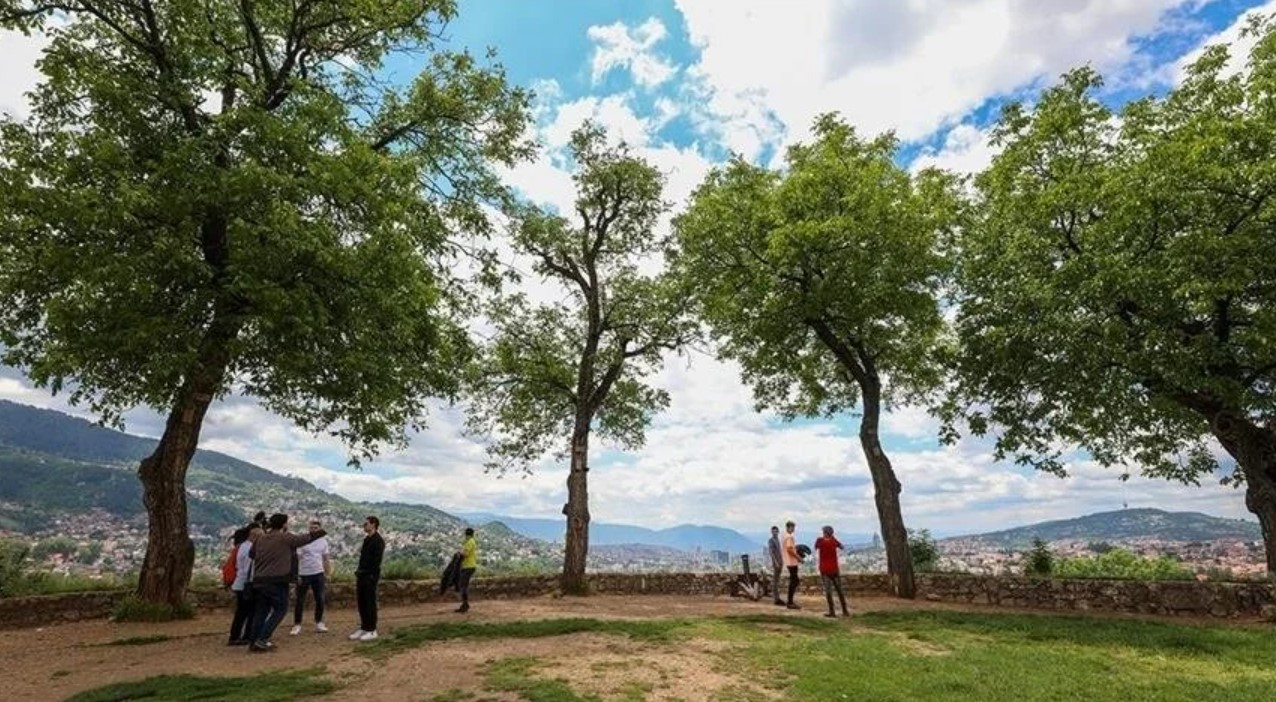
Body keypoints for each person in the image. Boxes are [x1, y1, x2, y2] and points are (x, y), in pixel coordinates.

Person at [246, 513, 326, 653]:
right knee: (280, 609)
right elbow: (304, 539)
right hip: (277, 580)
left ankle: (253, 641)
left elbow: (251, 554)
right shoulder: (285, 537)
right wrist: (321, 532)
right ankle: (262, 639)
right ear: (284, 524)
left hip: (259, 581)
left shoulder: (260, 539)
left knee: (261, 611)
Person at [290, 519, 331, 635]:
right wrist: (296, 574)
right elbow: (297, 559)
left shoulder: (323, 542)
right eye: (311, 528)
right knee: (300, 600)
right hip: (304, 573)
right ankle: (297, 624)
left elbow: (326, 558)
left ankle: (319, 623)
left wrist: (327, 573)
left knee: (320, 599)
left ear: (320, 529)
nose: (313, 530)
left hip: (318, 573)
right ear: (308, 528)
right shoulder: (304, 540)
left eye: (315, 528)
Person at [350, 515, 385, 642]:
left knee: (370, 602)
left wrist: (369, 574)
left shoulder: (378, 541)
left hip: (370, 576)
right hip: (362, 575)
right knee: (362, 602)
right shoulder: (367, 540)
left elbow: (376, 562)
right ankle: (364, 627)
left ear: (373, 524)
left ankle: (372, 629)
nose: (364, 526)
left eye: (366, 524)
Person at [227, 524, 261, 645]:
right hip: (248, 584)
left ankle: (235, 635)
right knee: (251, 611)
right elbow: (250, 569)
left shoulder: (241, 546)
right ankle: (247, 635)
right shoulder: (251, 549)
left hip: (239, 582)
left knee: (241, 612)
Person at [814, 525, 850, 618]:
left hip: (825, 570)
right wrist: (833, 538)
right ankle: (845, 611)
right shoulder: (834, 541)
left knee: (828, 592)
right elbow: (841, 546)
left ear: (825, 533)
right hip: (834, 569)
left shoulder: (820, 541)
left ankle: (832, 611)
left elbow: (815, 547)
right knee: (840, 591)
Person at [456, 527, 478, 613]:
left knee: (463, 586)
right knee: (463, 585)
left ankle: (465, 605)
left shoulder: (469, 542)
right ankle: (464, 604)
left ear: (466, 534)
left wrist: (459, 554)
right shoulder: (471, 541)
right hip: (469, 566)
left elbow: (465, 554)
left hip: (468, 567)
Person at [782, 520, 800, 609]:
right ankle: (790, 602)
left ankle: (790, 601)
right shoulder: (789, 537)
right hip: (792, 562)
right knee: (794, 581)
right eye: (793, 527)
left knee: (794, 581)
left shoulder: (784, 536)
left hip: (788, 561)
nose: (793, 529)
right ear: (789, 527)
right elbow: (789, 549)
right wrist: (798, 557)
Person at [767, 525, 784, 606]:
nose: (774, 533)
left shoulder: (777, 540)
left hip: (780, 562)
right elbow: (771, 552)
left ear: (778, 532)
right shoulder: (771, 540)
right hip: (776, 563)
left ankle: (777, 598)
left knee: (777, 580)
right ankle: (776, 599)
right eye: (773, 531)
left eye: (775, 531)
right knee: (775, 581)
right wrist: (776, 562)